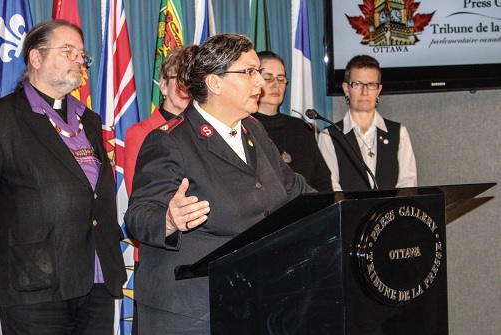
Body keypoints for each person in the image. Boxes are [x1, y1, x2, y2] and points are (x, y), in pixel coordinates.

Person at [124, 34, 313, 334]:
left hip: (252, 300)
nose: (260, 83)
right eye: (249, 72)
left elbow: (295, 192)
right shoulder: (170, 140)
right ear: (215, 83)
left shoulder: (253, 128)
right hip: (191, 312)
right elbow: (138, 215)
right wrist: (169, 219)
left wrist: (342, 207)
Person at [0, 19, 126, 334]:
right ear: (36, 58)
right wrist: (6, 263)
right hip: (35, 287)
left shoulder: (89, 120)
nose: (79, 60)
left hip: (98, 278)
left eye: (81, 54)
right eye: (68, 51)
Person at [318, 55, 417, 191]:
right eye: (357, 84)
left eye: (371, 85)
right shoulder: (329, 136)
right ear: (346, 89)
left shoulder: (399, 132)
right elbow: (331, 190)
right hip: (350, 212)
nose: (364, 92)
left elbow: (408, 186)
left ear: (378, 90)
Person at [253, 51, 332, 192]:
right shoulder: (246, 126)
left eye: (281, 78)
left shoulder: (301, 127)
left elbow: (323, 181)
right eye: (268, 78)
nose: (276, 84)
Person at [124, 46, 190, 196]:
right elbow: (139, 196)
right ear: (163, 86)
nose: (187, 87)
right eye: (180, 79)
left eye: (192, 80)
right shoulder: (141, 133)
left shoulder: (204, 130)